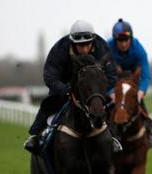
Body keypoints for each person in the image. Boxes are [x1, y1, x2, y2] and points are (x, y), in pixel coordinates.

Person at [24, 20, 118, 154]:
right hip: (64, 87)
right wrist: (65, 90)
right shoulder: (60, 49)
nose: (84, 49)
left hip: (92, 89)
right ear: (73, 43)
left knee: (111, 105)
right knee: (49, 103)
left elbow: (112, 75)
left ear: (93, 42)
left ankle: (113, 139)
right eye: (80, 46)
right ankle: (35, 136)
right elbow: (50, 76)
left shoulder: (102, 48)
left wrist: (99, 90)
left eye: (87, 45)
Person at [107, 18, 152, 146]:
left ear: (131, 38)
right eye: (120, 40)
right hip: (114, 81)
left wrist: (140, 93)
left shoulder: (139, 50)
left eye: (126, 40)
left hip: (132, 81)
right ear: (114, 40)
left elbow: (145, 76)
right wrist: (111, 92)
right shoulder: (107, 48)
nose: (123, 44)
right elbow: (103, 74)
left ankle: (149, 133)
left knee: (137, 102)